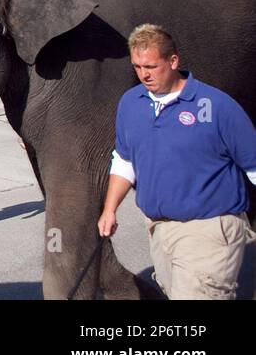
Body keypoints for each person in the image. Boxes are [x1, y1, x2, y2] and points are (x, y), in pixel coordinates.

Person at [98, 24, 256, 300]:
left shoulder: (215, 105)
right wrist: (110, 210)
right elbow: (124, 161)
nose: (144, 74)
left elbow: (253, 165)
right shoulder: (131, 103)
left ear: (173, 61)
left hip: (210, 229)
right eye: (137, 67)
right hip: (159, 229)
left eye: (151, 66)